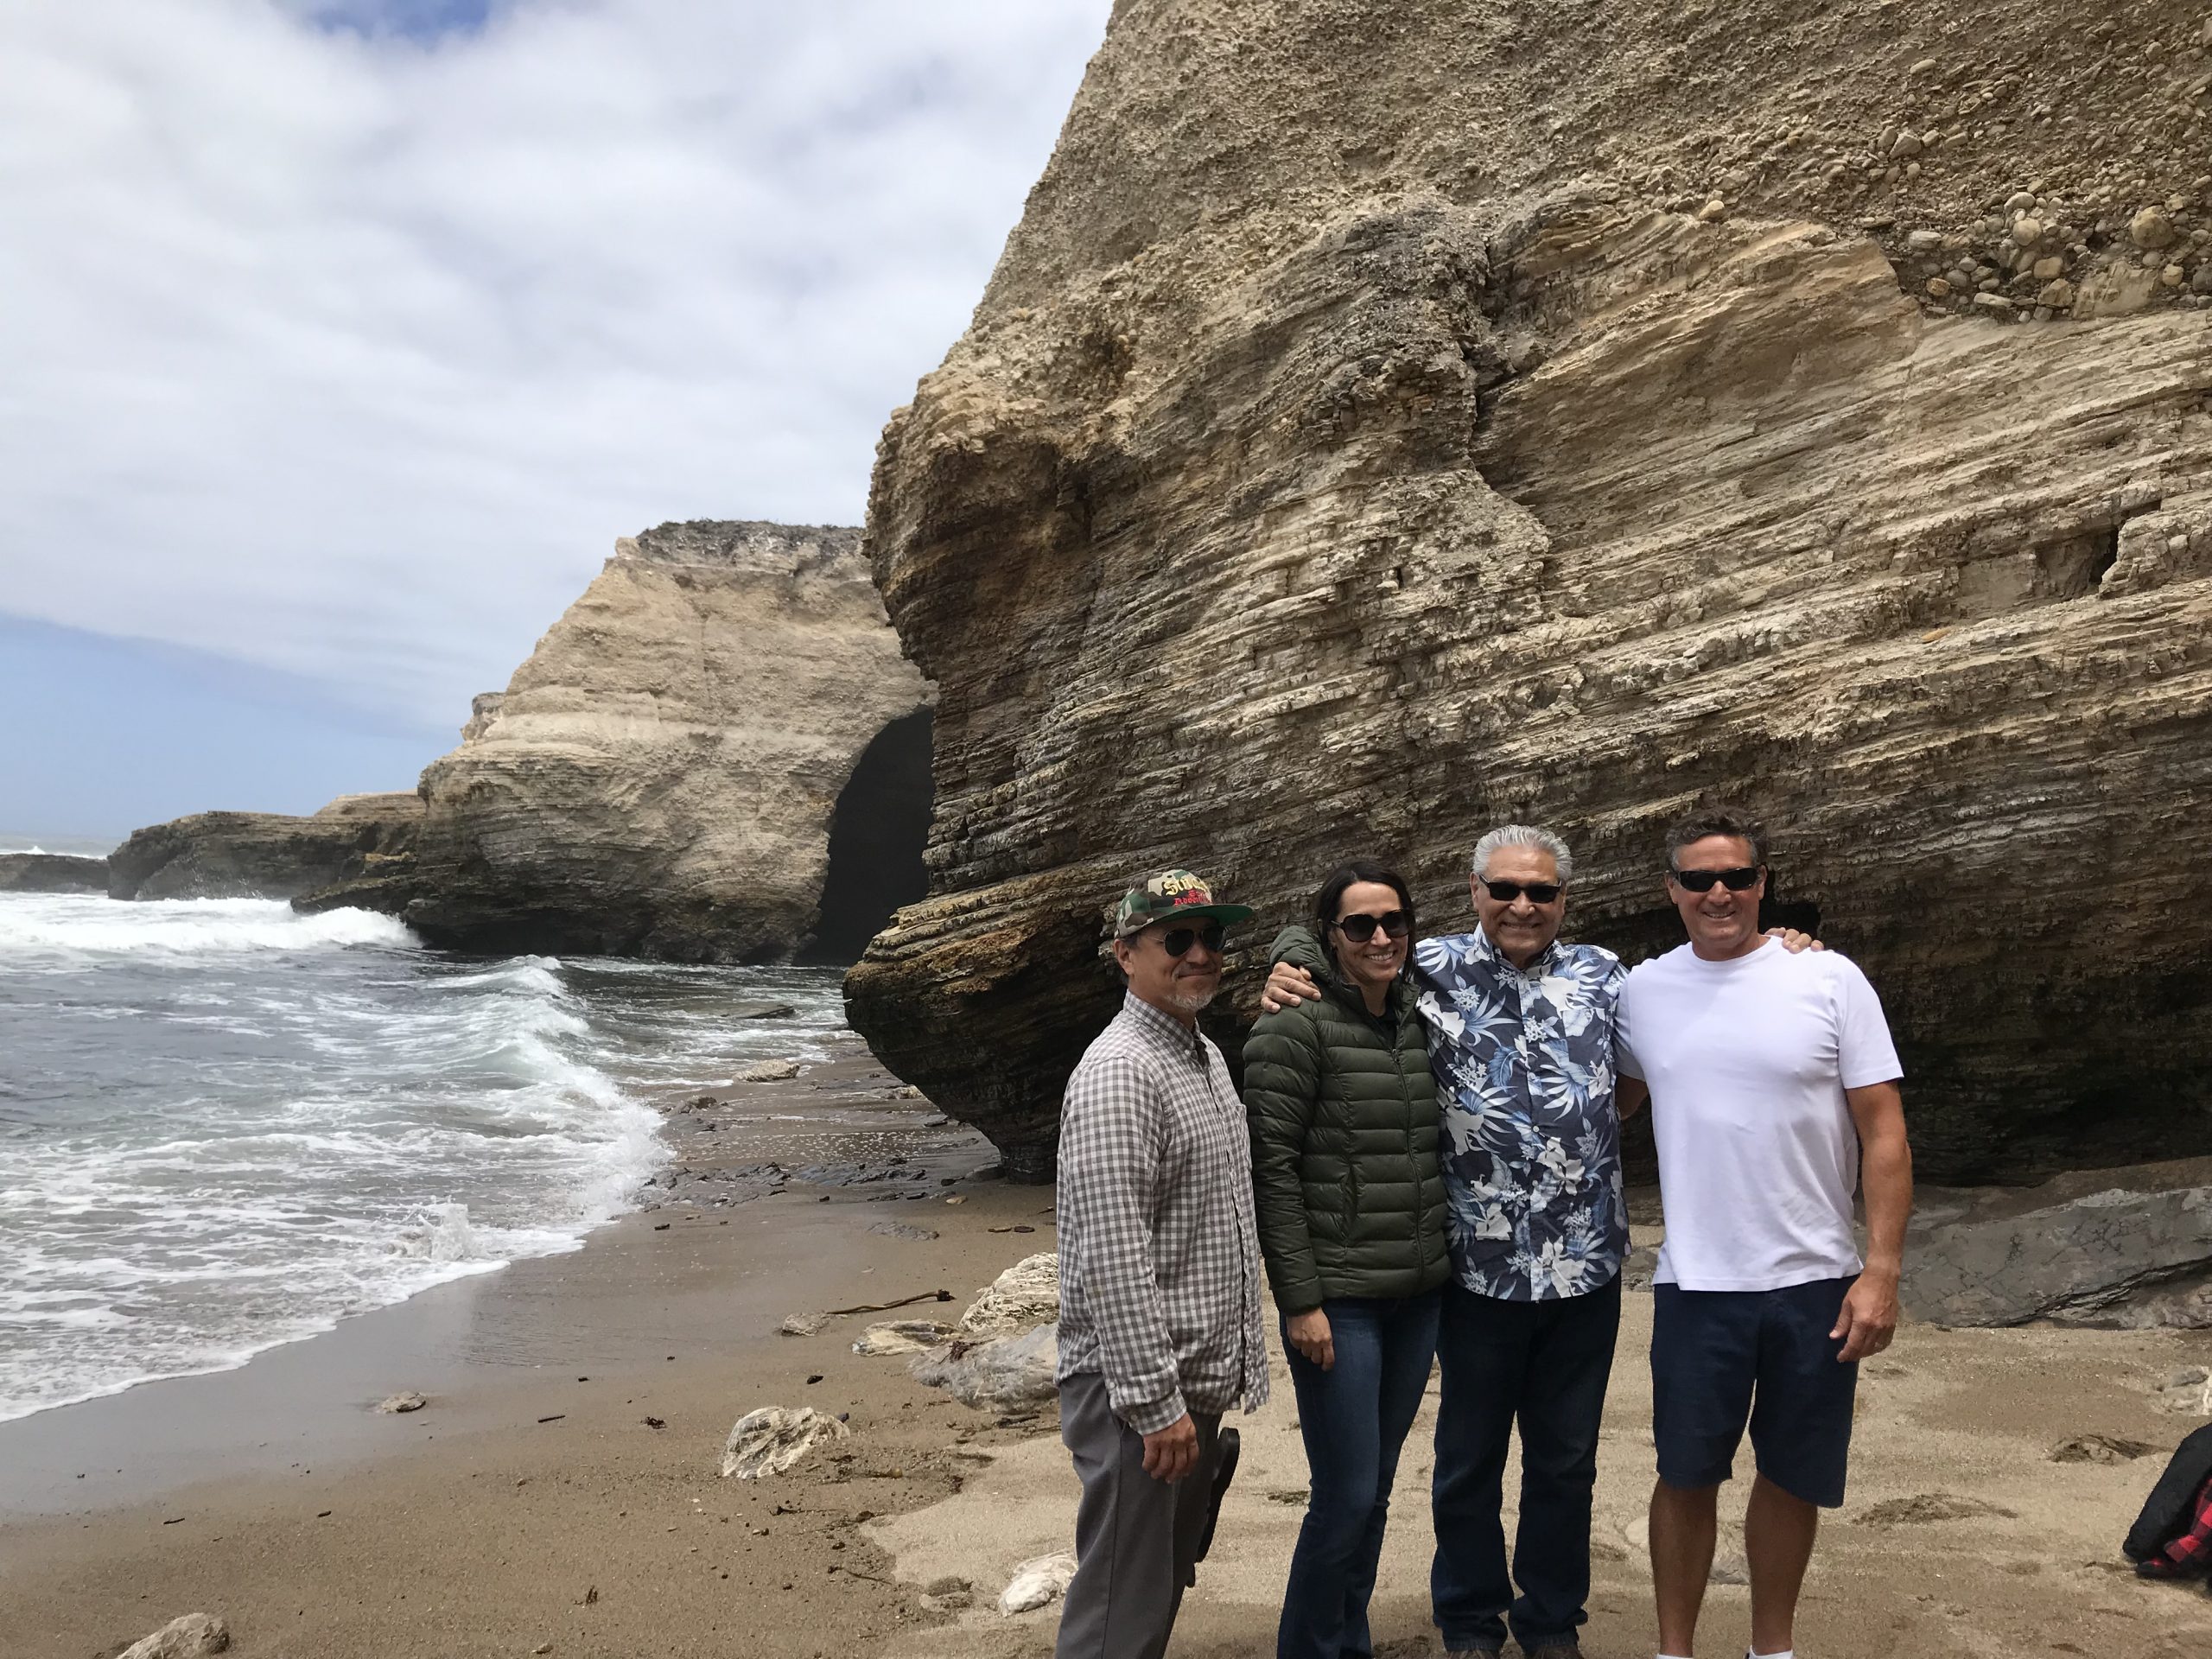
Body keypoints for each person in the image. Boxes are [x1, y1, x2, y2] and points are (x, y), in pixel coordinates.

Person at [1263, 830, 1821, 1659]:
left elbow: (1679, 1025)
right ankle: (1470, 1618)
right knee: (1468, 1461)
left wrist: (1784, 944)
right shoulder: (1427, 966)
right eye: (1505, 890)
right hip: (1475, 1269)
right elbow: (1343, 934)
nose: (1523, 906)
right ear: (1475, 890)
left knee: (1566, 1463)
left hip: (1586, 1266)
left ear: (1566, 899)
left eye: (1542, 893)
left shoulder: (1609, 977)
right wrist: (1284, 960)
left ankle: (1552, 1619)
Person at [1616, 804, 1912, 1659]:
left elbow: (1882, 1129)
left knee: (1792, 1475)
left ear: (1762, 886)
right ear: (1670, 890)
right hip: (1696, 1281)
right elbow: (1606, 1103)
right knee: (1684, 1473)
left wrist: (1881, 1269)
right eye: (1699, 879)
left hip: (1816, 1277)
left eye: (1737, 878)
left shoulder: (1829, 980)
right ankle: (1674, 1649)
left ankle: (1769, 1649)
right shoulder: (1641, 990)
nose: (1719, 893)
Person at [1053, 868, 1272, 1659]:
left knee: (1153, 1585)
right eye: (1176, 940)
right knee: (1118, 1605)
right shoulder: (1122, 1073)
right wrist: (1154, 1404)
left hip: (1182, 1380)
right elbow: (1114, 1255)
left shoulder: (1201, 1055)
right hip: (1139, 1395)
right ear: (1126, 954)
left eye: (1212, 937)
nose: (1201, 954)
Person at [1244, 860, 1452, 1659]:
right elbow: (1274, 1170)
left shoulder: (1417, 1015)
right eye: (1358, 925)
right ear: (1329, 937)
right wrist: (1300, 1301)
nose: (1379, 937)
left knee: (1371, 1496)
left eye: (1393, 922)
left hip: (1419, 1296)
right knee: (1345, 1496)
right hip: (1342, 1305)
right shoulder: (1291, 1027)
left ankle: (1346, 1643)